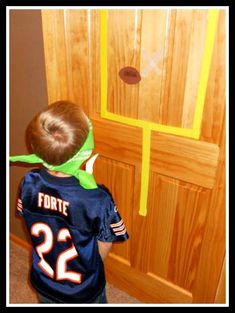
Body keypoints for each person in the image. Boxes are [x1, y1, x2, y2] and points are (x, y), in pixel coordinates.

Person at [10, 100, 129, 304]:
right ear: (85, 150)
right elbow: (105, 242)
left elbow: (28, 221)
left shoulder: (29, 182)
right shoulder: (96, 198)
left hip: (45, 283)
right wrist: (92, 265)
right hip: (84, 289)